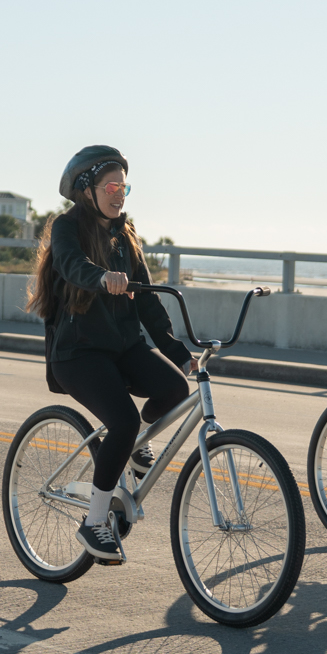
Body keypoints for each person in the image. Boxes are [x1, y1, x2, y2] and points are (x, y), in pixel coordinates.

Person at [27, 145, 193, 566]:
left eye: (124, 187)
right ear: (87, 190)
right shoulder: (67, 227)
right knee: (122, 420)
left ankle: (134, 447)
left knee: (176, 388)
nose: (120, 195)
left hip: (123, 346)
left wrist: (180, 352)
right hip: (78, 352)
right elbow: (71, 265)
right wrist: (102, 278)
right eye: (112, 187)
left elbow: (148, 302)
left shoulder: (126, 234)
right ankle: (95, 521)